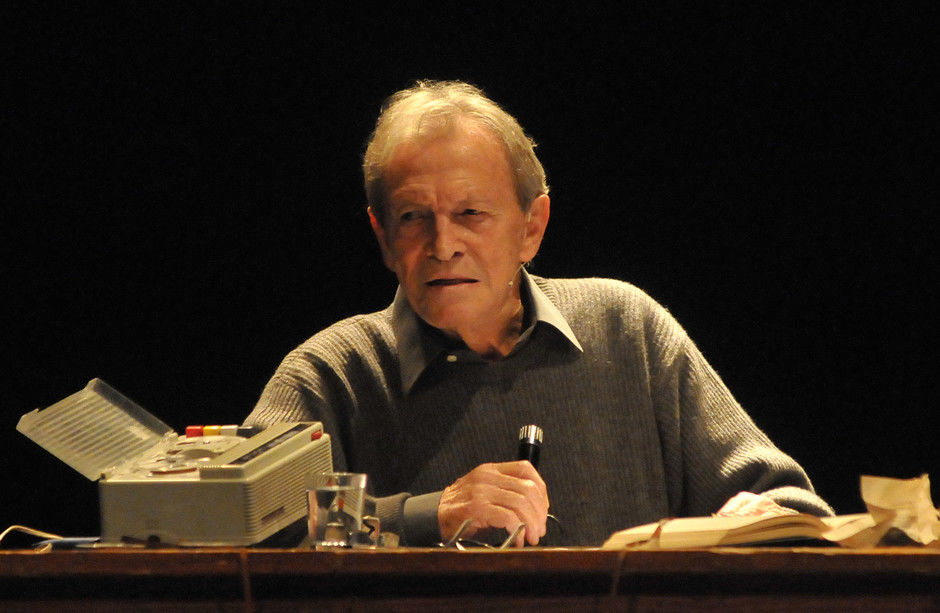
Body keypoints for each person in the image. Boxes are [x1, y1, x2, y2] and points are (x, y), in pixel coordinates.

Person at [244, 80, 833, 547]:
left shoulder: (627, 329)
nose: (443, 244)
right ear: (383, 237)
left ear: (532, 228)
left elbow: (788, 500)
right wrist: (427, 516)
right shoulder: (331, 373)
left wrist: (768, 518)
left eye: (471, 213)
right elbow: (238, 529)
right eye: (413, 217)